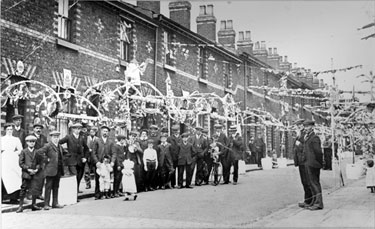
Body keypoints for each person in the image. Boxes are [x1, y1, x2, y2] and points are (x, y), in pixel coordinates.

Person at [58, 123, 90, 193]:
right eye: (76, 129)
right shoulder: (68, 137)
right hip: (71, 160)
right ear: (73, 129)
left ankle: (76, 190)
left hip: (80, 161)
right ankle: (74, 194)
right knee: (74, 176)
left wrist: (85, 157)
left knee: (79, 176)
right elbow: (59, 143)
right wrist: (65, 153)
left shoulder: (82, 138)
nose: (77, 130)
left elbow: (86, 149)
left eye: (79, 129)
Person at [38, 130, 65, 210]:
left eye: (57, 137)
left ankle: (55, 203)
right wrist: (46, 159)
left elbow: (63, 154)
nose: (56, 139)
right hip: (50, 170)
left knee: (56, 187)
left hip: (58, 169)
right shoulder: (48, 145)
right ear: (51, 138)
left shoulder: (59, 146)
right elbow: (39, 153)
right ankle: (46, 204)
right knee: (48, 187)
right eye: (54, 137)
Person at [17, 135, 44, 213]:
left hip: (35, 173)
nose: (32, 143)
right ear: (27, 142)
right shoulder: (24, 151)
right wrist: (27, 169)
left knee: (34, 189)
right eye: (30, 142)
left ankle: (34, 204)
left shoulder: (37, 152)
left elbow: (40, 162)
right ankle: (20, 206)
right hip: (26, 173)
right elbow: (20, 163)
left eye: (33, 142)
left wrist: (37, 169)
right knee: (23, 189)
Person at [303, 120, 324, 210]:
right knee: (311, 183)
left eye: (307, 127)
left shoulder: (315, 138)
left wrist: (319, 163)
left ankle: (319, 203)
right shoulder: (307, 137)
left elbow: (318, 152)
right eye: (305, 127)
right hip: (308, 163)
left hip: (313, 163)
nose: (305, 128)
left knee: (315, 183)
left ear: (312, 127)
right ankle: (314, 201)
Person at [293, 119, 313, 209]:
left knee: (307, 182)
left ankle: (309, 201)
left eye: (299, 126)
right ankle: (307, 200)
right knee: (304, 182)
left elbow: (306, 148)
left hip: (304, 161)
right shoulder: (299, 134)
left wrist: (299, 144)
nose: (298, 128)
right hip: (301, 162)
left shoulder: (304, 135)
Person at [1, 123, 23, 204]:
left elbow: (20, 149)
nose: (9, 131)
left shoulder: (16, 139)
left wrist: (15, 153)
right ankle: (3, 197)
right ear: (5, 130)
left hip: (13, 159)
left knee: (15, 177)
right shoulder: (2, 139)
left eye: (11, 129)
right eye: (8, 129)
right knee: (4, 176)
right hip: (4, 159)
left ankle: (13, 198)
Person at [92, 125, 115, 200]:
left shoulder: (111, 141)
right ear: (101, 132)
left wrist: (112, 162)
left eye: (107, 131)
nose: (105, 133)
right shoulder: (97, 141)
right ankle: (98, 194)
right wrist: (97, 162)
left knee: (107, 179)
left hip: (107, 164)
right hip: (100, 163)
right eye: (104, 131)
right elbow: (93, 152)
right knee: (98, 179)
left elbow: (114, 153)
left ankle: (107, 194)